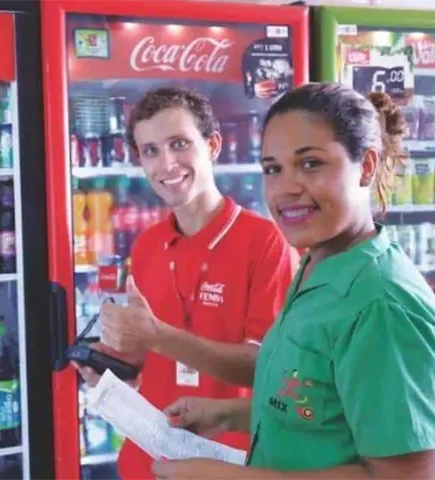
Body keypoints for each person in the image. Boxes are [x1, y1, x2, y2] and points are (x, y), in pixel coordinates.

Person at [152, 83, 435, 480]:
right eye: (273, 169)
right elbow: (323, 407)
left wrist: (227, 477)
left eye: (311, 163)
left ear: (366, 167)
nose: (286, 188)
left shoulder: (380, 305)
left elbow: (408, 476)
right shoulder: (319, 263)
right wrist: (229, 414)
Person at [74, 86, 298, 480]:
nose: (167, 163)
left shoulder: (267, 243)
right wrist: (116, 368)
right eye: (151, 151)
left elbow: (265, 368)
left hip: (228, 463)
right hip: (147, 461)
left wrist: (158, 335)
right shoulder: (147, 245)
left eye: (179, 144)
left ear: (212, 145)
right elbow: (149, 360)